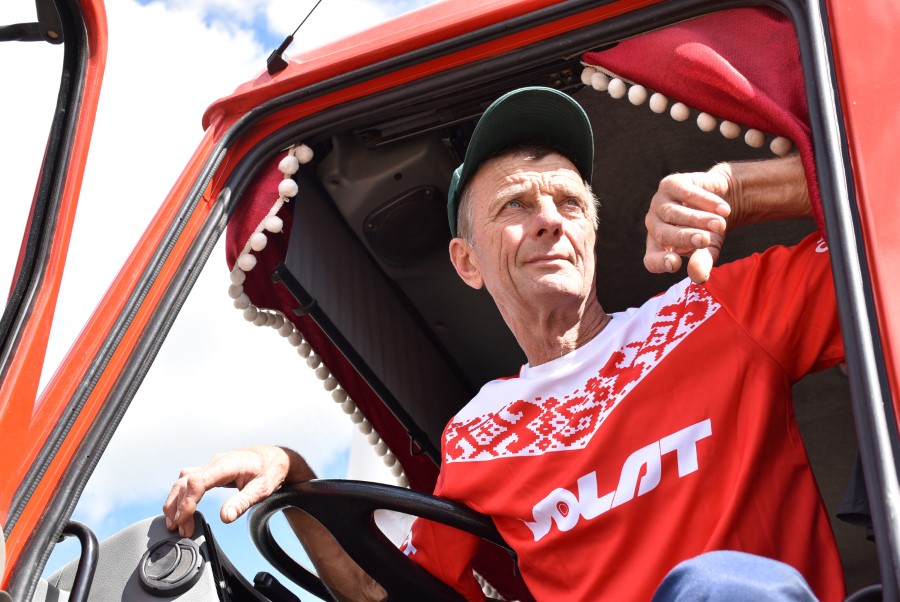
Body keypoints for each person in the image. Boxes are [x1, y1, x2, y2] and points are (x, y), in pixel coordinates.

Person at [164, 87, 841, 601]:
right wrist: (296, 474)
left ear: (592, 234)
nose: (549, 220)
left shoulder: (715, 311)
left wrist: (741, 189)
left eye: (570, 203)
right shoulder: (476, 438)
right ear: (467, 262)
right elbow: (383, 596)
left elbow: (882, 215)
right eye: (515, 205)